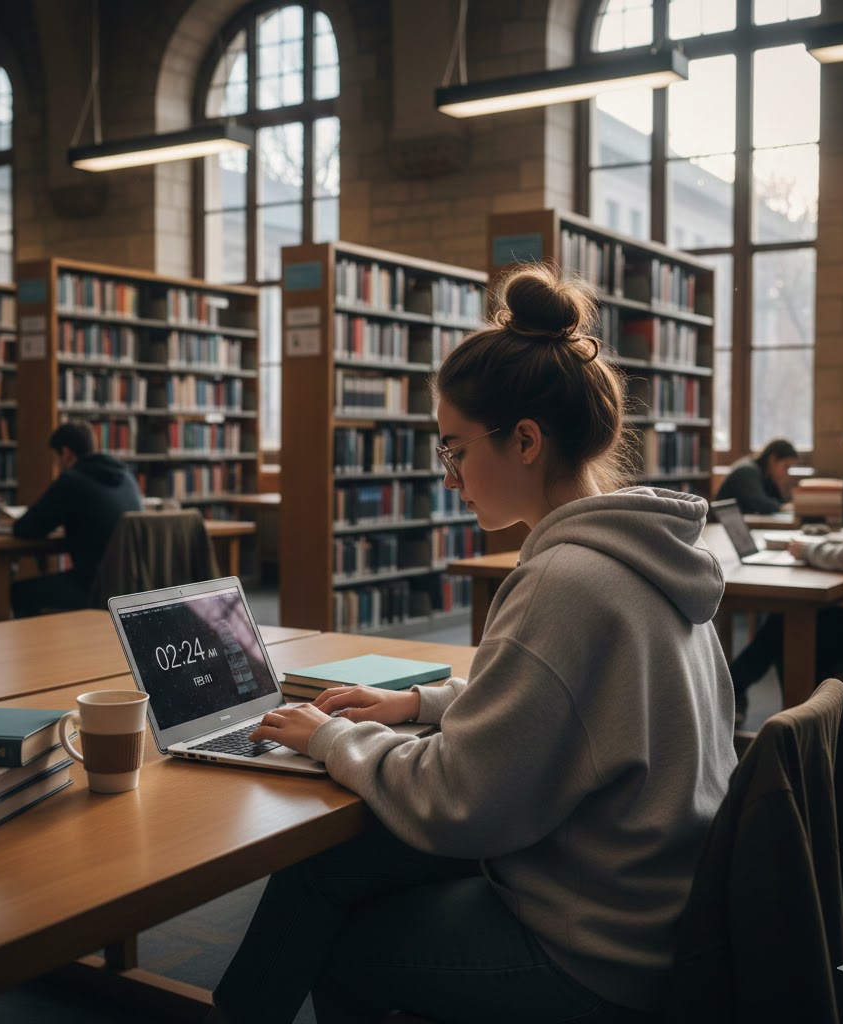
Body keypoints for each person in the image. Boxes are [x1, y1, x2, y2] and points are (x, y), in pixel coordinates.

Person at [206, 265, 738, 1024]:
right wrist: (419, 701)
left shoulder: (566, 581)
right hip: (655, 900)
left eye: (454, 449)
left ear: (524, 440)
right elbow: (574, 703)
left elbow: (462, 802)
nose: (450, 476)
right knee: (333, 866)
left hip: (596, 947)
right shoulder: (646, 555)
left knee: (341, 938)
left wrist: (332, 738)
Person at [728, 410, 843, 722]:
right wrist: (827, 545)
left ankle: (800, 731)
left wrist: (810, 550)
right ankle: (835, 726)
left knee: (788, 628)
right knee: (805, 631)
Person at [10, 420, 143, 617]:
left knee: (20, 592)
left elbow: (26, 528)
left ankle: (42, 647)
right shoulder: (127, 476)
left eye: (55, 458)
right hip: (134, 583)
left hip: (94, 587)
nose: (56, 465)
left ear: (66, 453)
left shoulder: (72, 481)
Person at [714, 436, 799, 514]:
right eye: (785, 466)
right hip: (719, 527)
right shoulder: (747, 471)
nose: (786, 473)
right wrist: (783, 507)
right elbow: (760, 504)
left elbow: (779, 501)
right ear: (772, 459)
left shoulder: (767, 476)